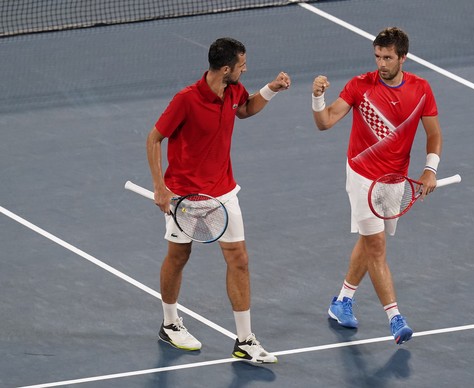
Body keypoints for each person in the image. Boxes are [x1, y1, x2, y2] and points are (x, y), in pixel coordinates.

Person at [146, 37, 290, 363]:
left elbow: (245, 109)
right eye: (242, 65)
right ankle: (169, 324)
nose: (245, 68)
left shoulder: (233, 90)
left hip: (223, 191)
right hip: (185, 195)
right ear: (226, 69)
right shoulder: (185, 100)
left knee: (239, 259)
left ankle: (245, 340)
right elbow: (154, 138)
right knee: (178, 256)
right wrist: (160, 187)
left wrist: (270, 89)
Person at [311, 27, 442, 345]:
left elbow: (434, 134)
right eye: (377, 57)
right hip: (362, 177)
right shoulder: (360, 86)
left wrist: (429, 170)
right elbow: (325, 121)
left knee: (369, 244)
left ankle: (342, 301)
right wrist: (317, 97)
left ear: (402, 58)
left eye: (387, 58)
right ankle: (395, 318)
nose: (381, 64)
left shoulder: (422, 89)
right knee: (378, 247)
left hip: (394, 179)